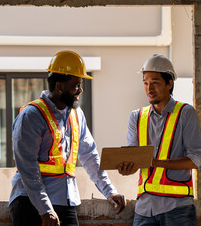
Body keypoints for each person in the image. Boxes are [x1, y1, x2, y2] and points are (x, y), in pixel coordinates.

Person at [9, 50, 125, 226]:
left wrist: (110, 191)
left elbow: (89, 155)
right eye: (76, 85)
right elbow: (27, 167)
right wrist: (45, 209)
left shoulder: (76, 115)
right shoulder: (32, 115)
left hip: (65, 201)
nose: (80, 90)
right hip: (30, 203)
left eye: (81, 84)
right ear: (60, 86)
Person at [118, 54, 201, 226]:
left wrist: (157, 163)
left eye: (155, 82)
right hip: (144, 210)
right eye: (145, 82)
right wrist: (127, 168)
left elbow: (196, 159)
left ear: (169, 83)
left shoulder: (186, 114)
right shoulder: (136, 117)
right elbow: (134, 158)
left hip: (178, 209)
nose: (149, 88)